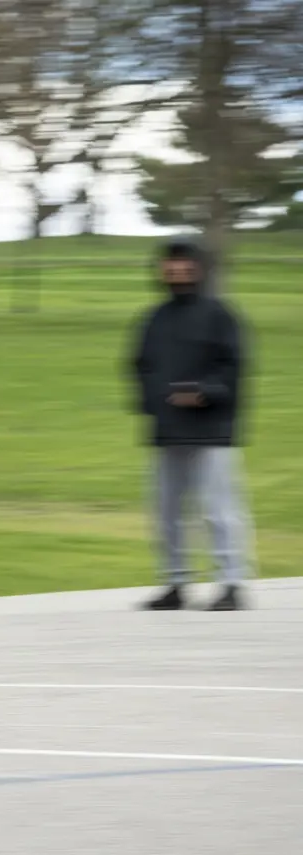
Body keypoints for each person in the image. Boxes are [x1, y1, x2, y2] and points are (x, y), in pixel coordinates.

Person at [128, 237, 251, 612]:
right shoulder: (154, 319)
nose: (177, 270)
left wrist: (205, 393)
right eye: (171, 264)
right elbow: (141, 366)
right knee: (166, 510)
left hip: (211, 428)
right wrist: (156, 402)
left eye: (184, 264)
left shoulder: (220, 315)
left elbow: (233, 367)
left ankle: (231, 583)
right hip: (168, 429)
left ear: (198, 269)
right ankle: (176, 582)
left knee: (218, 509)